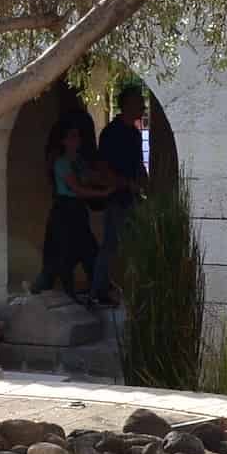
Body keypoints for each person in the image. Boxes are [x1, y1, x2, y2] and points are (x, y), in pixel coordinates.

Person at [32, 121, 108, 298]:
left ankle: (97, 291)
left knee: (89, 251)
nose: (77, 140)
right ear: (64, 141)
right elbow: (77, 188)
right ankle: (65, 292)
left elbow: (91, 178)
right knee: (62, 255)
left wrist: (114, 182)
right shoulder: (61, 163)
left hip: (77, 211)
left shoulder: (79, 161)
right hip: (64, 212)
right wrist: (104, 193)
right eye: (72, 136)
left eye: (78, 136)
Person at [89, 91, 150, 305]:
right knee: (111, 245)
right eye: (139, 104)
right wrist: (125, 184)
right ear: (126, 105)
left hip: (133, 197)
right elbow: (103, 168)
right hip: (117, 198)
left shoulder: (134, 133)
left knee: (137, 244)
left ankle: (135, 290)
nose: (143, 108)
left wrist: (144, 181)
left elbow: (138, 163)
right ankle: (98, 291)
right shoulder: (111, 133)